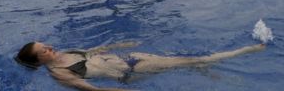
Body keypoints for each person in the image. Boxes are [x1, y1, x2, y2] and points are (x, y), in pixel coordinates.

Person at [16, 40, 265, 91]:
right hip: (132, 72)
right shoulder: (60, 73)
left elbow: (93, 52)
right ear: (39, 60)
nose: (50, 48)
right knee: (193, 59)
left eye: (46, 44)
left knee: (181, 62)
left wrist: (119, 44)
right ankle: (245, 51)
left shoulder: (68, 51)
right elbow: (92, 90)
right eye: (44, 50)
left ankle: (202, 69)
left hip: (132, 57)